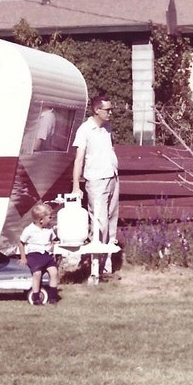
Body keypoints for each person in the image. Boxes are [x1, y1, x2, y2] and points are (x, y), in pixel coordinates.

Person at [72, 94, 119, 275]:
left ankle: (107, 265)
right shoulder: (85, 130)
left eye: (111, 109)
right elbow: (79, 159)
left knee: (111, 219)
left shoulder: (108, 127)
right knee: (99, 222)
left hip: (112, 177)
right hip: (96, 180)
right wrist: (77, 185)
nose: (110, 113)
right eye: (107, 110)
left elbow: (110, 150)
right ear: (96, 110)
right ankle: (94, 266)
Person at [19, 202, 59, 305]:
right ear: (41, 220)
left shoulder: (49, 229)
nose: (51, 219)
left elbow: (53, 240)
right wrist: (23, 257)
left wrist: (53, 251)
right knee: (37, 273)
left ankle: (53, 297)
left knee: (54, 272)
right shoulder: (29, 230)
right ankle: (36, 298)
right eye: (49, 217)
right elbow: (21, 242)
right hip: (34, 255)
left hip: (46, 255)